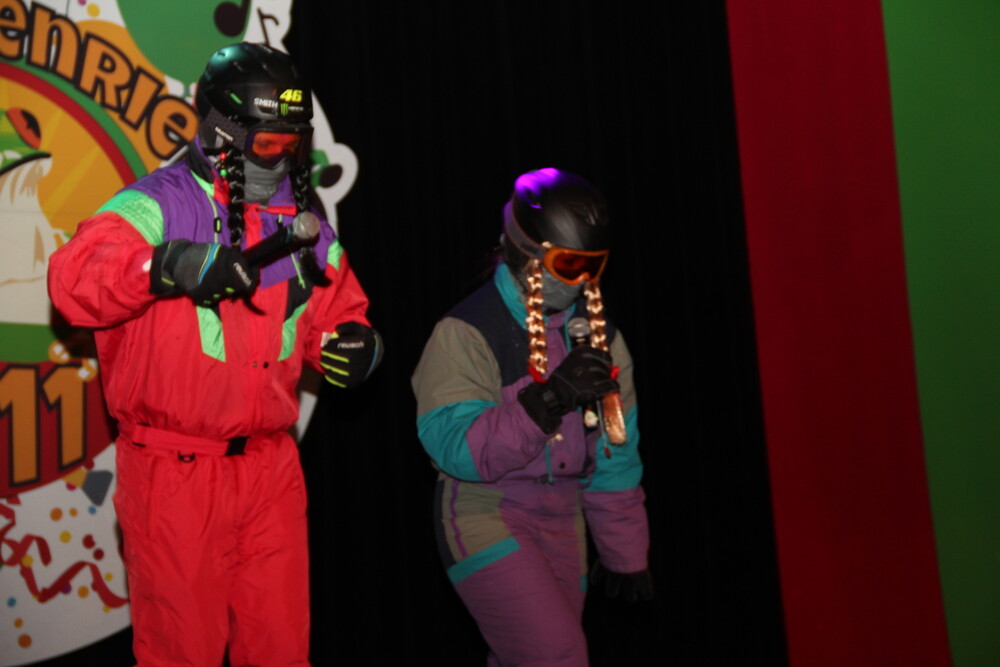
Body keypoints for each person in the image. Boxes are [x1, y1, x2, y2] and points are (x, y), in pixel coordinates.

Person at [48, 43, 381, 666]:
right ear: (223, 130)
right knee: (182, 653)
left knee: (282, 651)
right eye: (267, 144)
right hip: (174, 475)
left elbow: (339, 312)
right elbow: (72, 282)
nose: (279, 159)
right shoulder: (156, 205)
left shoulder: (299, 218)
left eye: (291, 144)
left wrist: (356, 344)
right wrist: (167, 262)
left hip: (270, 471)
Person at [412, 168, 651, 666]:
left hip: (563, 516)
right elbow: (457, 449)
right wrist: (549, 401)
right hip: (486, 511)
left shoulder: (603, 339)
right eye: (569, 264)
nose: (582, 281)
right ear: (528, 254)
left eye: (594, 266)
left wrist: (624, 551)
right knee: (557, 656)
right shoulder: (467, 331)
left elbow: (615, 450)